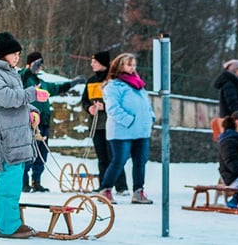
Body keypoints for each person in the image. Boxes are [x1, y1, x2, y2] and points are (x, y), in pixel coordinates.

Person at [0, 32, 48, 239]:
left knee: (15, 178)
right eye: (13, 54)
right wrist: (32, 93)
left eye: (18, 54)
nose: (17, 57)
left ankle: (11, 221)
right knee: (8, 179)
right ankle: (8, 226)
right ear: (3, 54)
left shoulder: (10, 72)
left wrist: (32, 110)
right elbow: (6, 98)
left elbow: (19, 102)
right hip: (3, 135)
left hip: (14, 134)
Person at [19, 52, 86, 192]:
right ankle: (23, 182)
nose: (39, 68)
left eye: (40, 65)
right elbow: (21, 81)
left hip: (44, 122)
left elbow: (56, 88)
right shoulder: (24, 78)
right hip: (30, 121)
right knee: (29, 152)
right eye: (37, 64)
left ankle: (36, 181)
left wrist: (73, 83)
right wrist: (28, 69)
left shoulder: (41, 82)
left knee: (42, 154)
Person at [96, 53, 155, 204]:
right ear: (120, 66)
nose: (132, 68)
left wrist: (150, 118)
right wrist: (129, 121)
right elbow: (113, 108)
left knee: (140, 161)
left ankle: (138, 191)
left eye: (134, 65)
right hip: (122, 131)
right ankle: (106, 189)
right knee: (119, 160)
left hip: (141, 131)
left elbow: (146, 105)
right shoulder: (113, 86)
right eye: (129, 65)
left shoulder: (139, 85)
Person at [80, 51, 128, 195]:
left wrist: (105, 107)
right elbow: (84, 100)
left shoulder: (114, 80)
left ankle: (121, 186)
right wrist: (89, 108)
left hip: (112, 124)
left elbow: (121, 101)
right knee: (102, 157)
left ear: (102, 63)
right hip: (97, 125)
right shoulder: (91, 80)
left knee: (115, 156)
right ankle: (104, 185)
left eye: (94, 61)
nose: (91, 64)